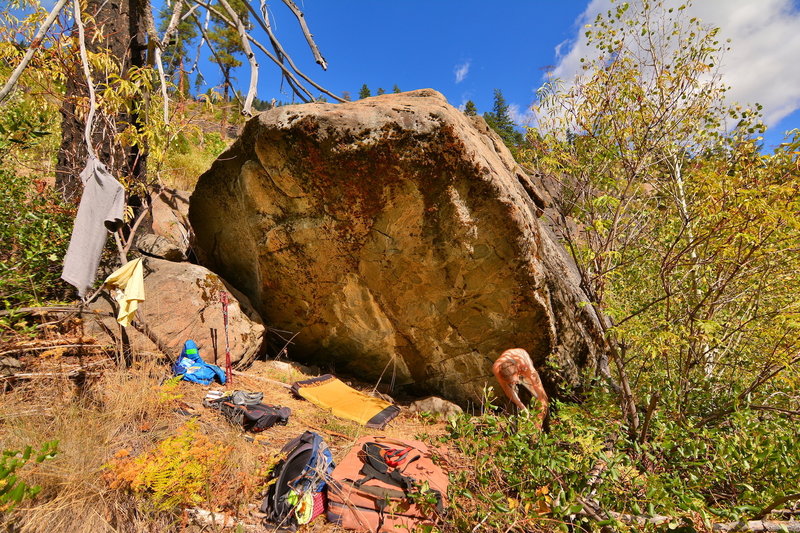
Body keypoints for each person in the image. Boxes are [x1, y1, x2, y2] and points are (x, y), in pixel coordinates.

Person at [492, 348, 548, 428]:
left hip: (524, 365)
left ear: (518, 371)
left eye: (514, 381)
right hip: (511, 371)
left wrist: (538, 423)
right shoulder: (497, 368)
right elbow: (508, 391)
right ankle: (513, 429)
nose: (514, 383)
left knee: (538, 397)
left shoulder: (526, 367)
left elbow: (542, 396)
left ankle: (544, 428)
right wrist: (522, 407)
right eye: (510, 382)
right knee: (511, 402)